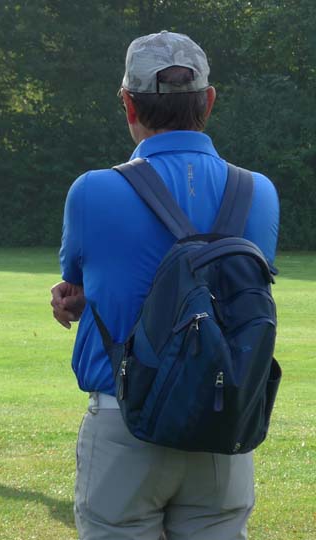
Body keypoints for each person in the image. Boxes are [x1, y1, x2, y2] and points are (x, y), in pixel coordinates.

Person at [51, 31, 279, 539]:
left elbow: (80, 278)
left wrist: (84, 295)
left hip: (125, 421)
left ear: (128, 102)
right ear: (210, 101)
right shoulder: (259, 191)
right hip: (223, 424)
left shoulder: (92, 190)